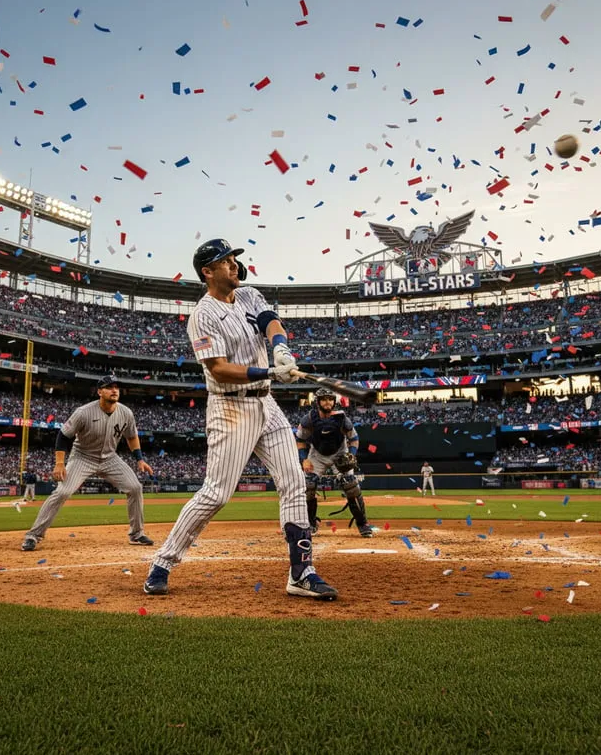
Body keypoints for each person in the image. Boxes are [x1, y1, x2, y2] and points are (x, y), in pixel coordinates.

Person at [143, 238, 337, 600]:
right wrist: (267, 370)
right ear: (208, 271)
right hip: (230, 408)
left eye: (234, 259)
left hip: (267, 406)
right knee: (216, 493)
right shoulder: (202, 315)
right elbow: (218, 370)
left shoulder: (248, 294)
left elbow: (270, 322)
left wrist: (280, 349)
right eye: (225, 260)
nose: (234, 265)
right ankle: (163, 562)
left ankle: (302, 572)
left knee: (295, 481)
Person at [20, 374, 154, 551]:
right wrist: (59, 462)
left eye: (116, 387)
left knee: (135, 487)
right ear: (100, 392)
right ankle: (33, 535)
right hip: (83, 457)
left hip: (110, 458)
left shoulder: (126, 412)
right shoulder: (83, 412)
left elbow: (132, 436)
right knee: (62, 492)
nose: (114, 390)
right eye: (109, 387)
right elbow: (63, 436)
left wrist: (140, 459)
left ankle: (137, 534)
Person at [296, 388, 373, 538]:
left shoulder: (342, 418)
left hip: (340, 453)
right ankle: (311, 524)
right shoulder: (309, 419)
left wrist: (351, 455)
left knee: (350, 485)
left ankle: (363, 524)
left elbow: (354, 439)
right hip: (317, 454)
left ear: (334, 401)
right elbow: (300, 440)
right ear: (317, 402)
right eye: (324, 399)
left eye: (330, 399)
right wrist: (304, 459)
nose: (327, 402)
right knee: (308, 486)